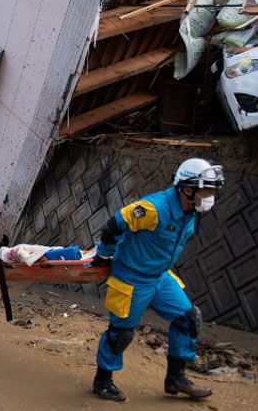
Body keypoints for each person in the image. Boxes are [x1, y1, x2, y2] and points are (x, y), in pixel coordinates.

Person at [90, 158, 224, 402]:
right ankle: (102, 380)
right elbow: (113, 226)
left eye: (212, 191)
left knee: (188, 318)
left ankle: (176, 378)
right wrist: (104, 254)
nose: (210, 196)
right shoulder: (153, 209)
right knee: (120, 333)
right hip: (131, 278)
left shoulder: (189, 212)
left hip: (160, 277)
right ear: (187, 188)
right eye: (206, 190)